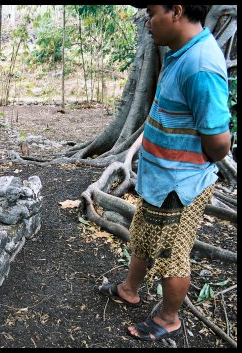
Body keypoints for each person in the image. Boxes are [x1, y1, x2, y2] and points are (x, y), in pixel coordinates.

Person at [98, 5, 232, 342]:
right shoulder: (178, 52)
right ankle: (130, 289)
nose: (147, 20)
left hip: (180, 186)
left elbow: (219, 143)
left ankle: (169, 318)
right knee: (142, 236)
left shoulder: (200, 66)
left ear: (176, 11)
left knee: (172, 258)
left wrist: (188, 162)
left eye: (153, 11)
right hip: (159, 181)